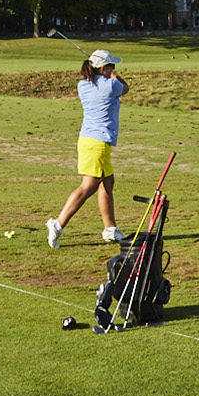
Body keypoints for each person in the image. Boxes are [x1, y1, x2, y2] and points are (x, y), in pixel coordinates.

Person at [46, 49, 128, 249]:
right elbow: (125, 87)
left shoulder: (82, 85)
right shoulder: (111, 85)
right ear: (103, 68)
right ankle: (57, 224)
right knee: (88, 186)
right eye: (111, 66)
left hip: (88, 141)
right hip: (97, 144)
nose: (113, 70)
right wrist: (114, 75)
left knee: (107, 182)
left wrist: (106, 72)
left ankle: (110, 229)